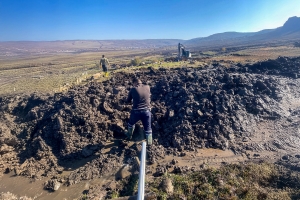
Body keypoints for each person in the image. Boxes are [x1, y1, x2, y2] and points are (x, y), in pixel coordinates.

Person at [125, 77, 152, 145]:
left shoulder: (133, 89)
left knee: (130, 124)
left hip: (136, 111)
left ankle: (129, 136)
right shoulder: (148, 87)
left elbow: (128, 101)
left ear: (134, 83)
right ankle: (149, 143)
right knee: (148, 129)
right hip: (147, 111)